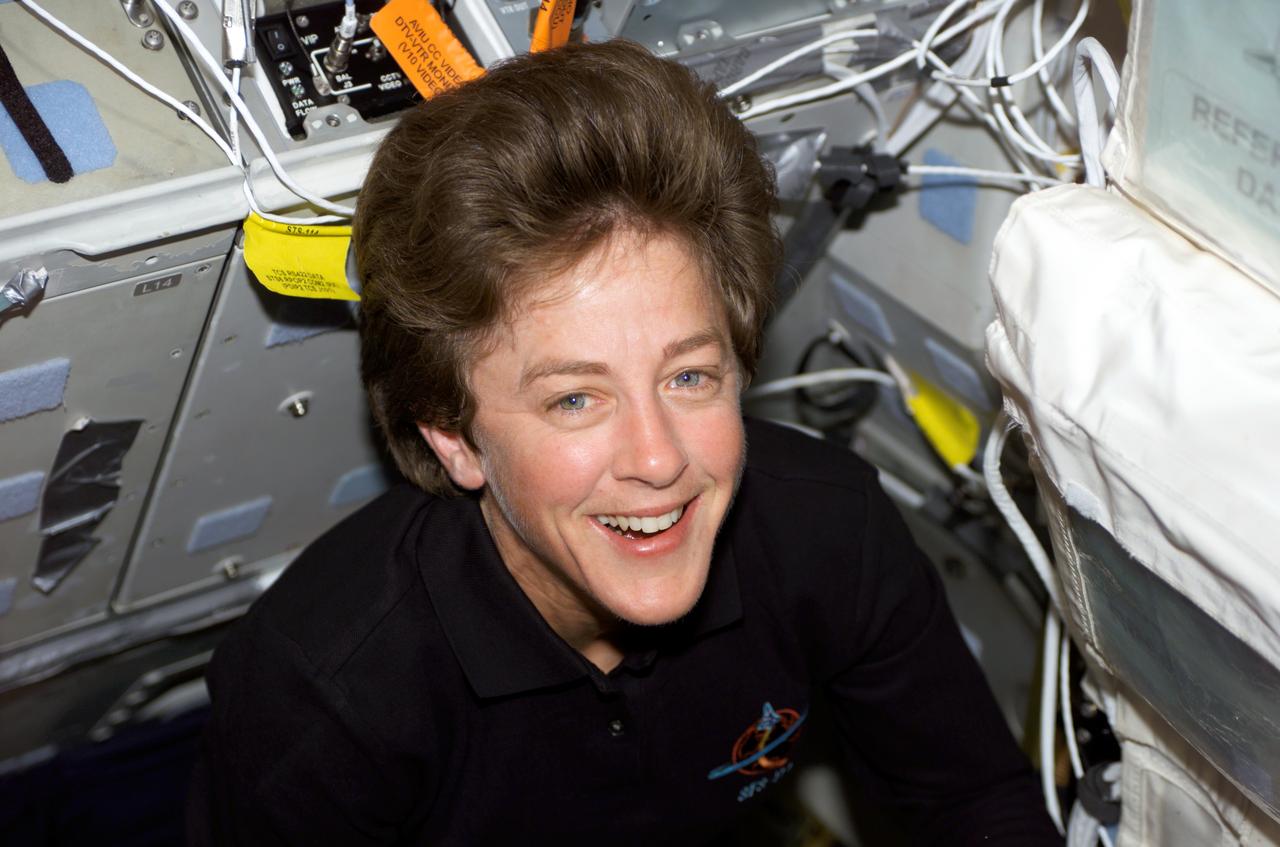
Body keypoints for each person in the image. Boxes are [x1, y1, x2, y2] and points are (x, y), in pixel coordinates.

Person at [188, 40, 1063, 846]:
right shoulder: (323, 697)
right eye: (575, 399)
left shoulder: (832, 534)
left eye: (689, 377)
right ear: (454, 438)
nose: (657, 458)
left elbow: (972, 802)